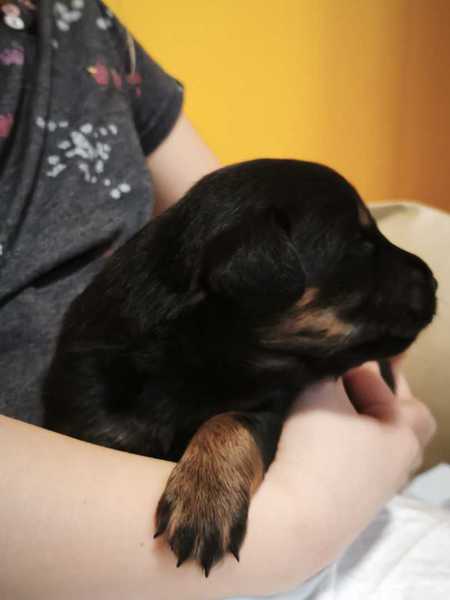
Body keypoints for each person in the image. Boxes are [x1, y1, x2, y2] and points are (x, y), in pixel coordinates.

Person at [0, 1, 437, 598]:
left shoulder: (81, 23)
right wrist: (304, 514)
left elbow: (226, 210)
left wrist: (363, 409)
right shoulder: (94, 377)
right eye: (360, 249)